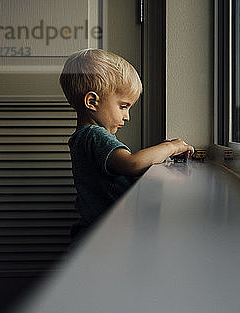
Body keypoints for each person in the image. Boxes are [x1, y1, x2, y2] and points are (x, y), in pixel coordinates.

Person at [59, 48, 194, 242]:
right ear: (92, 101)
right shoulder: (94, 135)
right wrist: (171, 147)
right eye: (123, 106)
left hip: (97, 233)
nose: (127, 116)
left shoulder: (82, 138)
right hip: (105, 238)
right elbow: (132, 164)